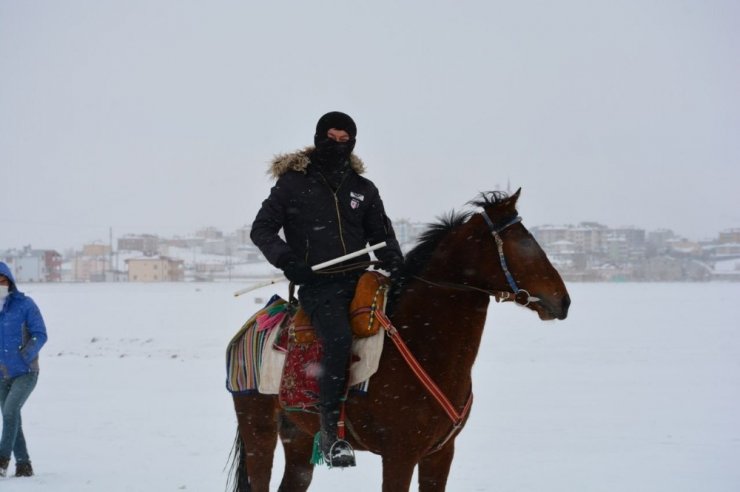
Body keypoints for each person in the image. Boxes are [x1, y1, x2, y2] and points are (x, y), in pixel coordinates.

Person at [250, 111, 404, 467]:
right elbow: (262, 229)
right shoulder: (293, 183)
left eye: (344, 139)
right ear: (319, 137)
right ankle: (332, 434)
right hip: (319, 285)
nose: (337, 145)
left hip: (362, 279)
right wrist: (288, 260)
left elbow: (381, 236)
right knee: (337, 338)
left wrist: (395, 261)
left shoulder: (362, 189)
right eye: (331, 138)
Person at [0, 262, 48, 478]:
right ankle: (24, 465)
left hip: (26, 373)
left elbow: (40, 333)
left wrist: (25, 354)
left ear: (10, 282)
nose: (0, 285)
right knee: (12, 417)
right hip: (2, 374)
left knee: (10, 412)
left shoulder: (25, 304)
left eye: (2, 280)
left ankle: (2, 460)